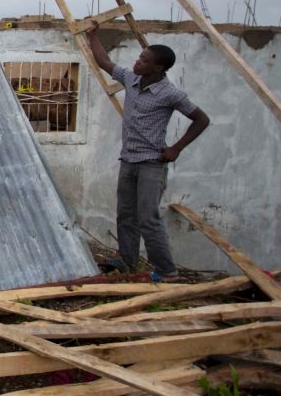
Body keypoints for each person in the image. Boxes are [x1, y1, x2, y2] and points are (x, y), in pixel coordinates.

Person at [86, 25, 210, 282]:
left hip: (152, 163)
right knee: (126, 214)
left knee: (148, 218)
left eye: (144, 60)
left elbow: (201, 119)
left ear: (158, 68)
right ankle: (126, 260)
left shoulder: (170, 94)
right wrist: (92, 36)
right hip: (128, 159)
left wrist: (176, 148)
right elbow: (104, 61)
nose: (137, 61)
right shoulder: (131, 79)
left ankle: (167, 271)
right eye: (139, 57)